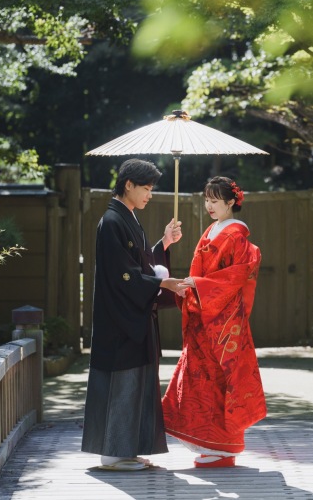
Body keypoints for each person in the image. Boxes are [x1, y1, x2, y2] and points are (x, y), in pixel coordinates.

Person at [81, 158, 190, 471]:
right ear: (128, 184)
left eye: (152, 188)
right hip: (119, 321)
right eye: (146, 187)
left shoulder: (125, 217)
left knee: (135, 383)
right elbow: (122, 275)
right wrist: (161, 281)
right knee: (123, 384)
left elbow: (138, 264)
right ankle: (113, 453)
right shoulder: (112, 221)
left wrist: (163, 243)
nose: (150, 194)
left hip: (131, 318)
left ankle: (125, 450)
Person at [162, 176, 266, 468]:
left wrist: (200, 286)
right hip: (203, 313)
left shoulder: (236, 235)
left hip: (222, 319)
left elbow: (236, 277)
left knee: (220, 380)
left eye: (215, 200)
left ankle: (223, 446)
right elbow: (200, 271)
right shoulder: (213, 230)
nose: (209, 205)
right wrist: (192, 288)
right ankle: (207, 441)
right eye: (206, 200)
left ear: (231, 202)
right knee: (199, 380)